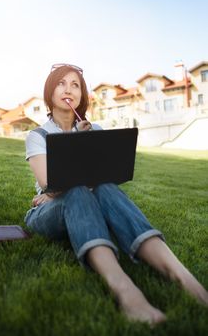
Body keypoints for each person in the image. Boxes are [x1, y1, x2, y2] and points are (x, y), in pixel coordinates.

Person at [24, 63, 208, 326]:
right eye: (61, 84)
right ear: (50, 92)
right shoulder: (37, 135)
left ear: (82, 95)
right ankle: (126, 292)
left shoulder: (94, 131)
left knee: (106, 188)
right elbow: (49, 183)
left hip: (77, 198)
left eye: (75, 84)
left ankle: (183, 277)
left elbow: (104, 177)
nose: (69, 89)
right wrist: (59, 187)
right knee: (77, 190)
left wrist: (86, 149)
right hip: (45, 213)